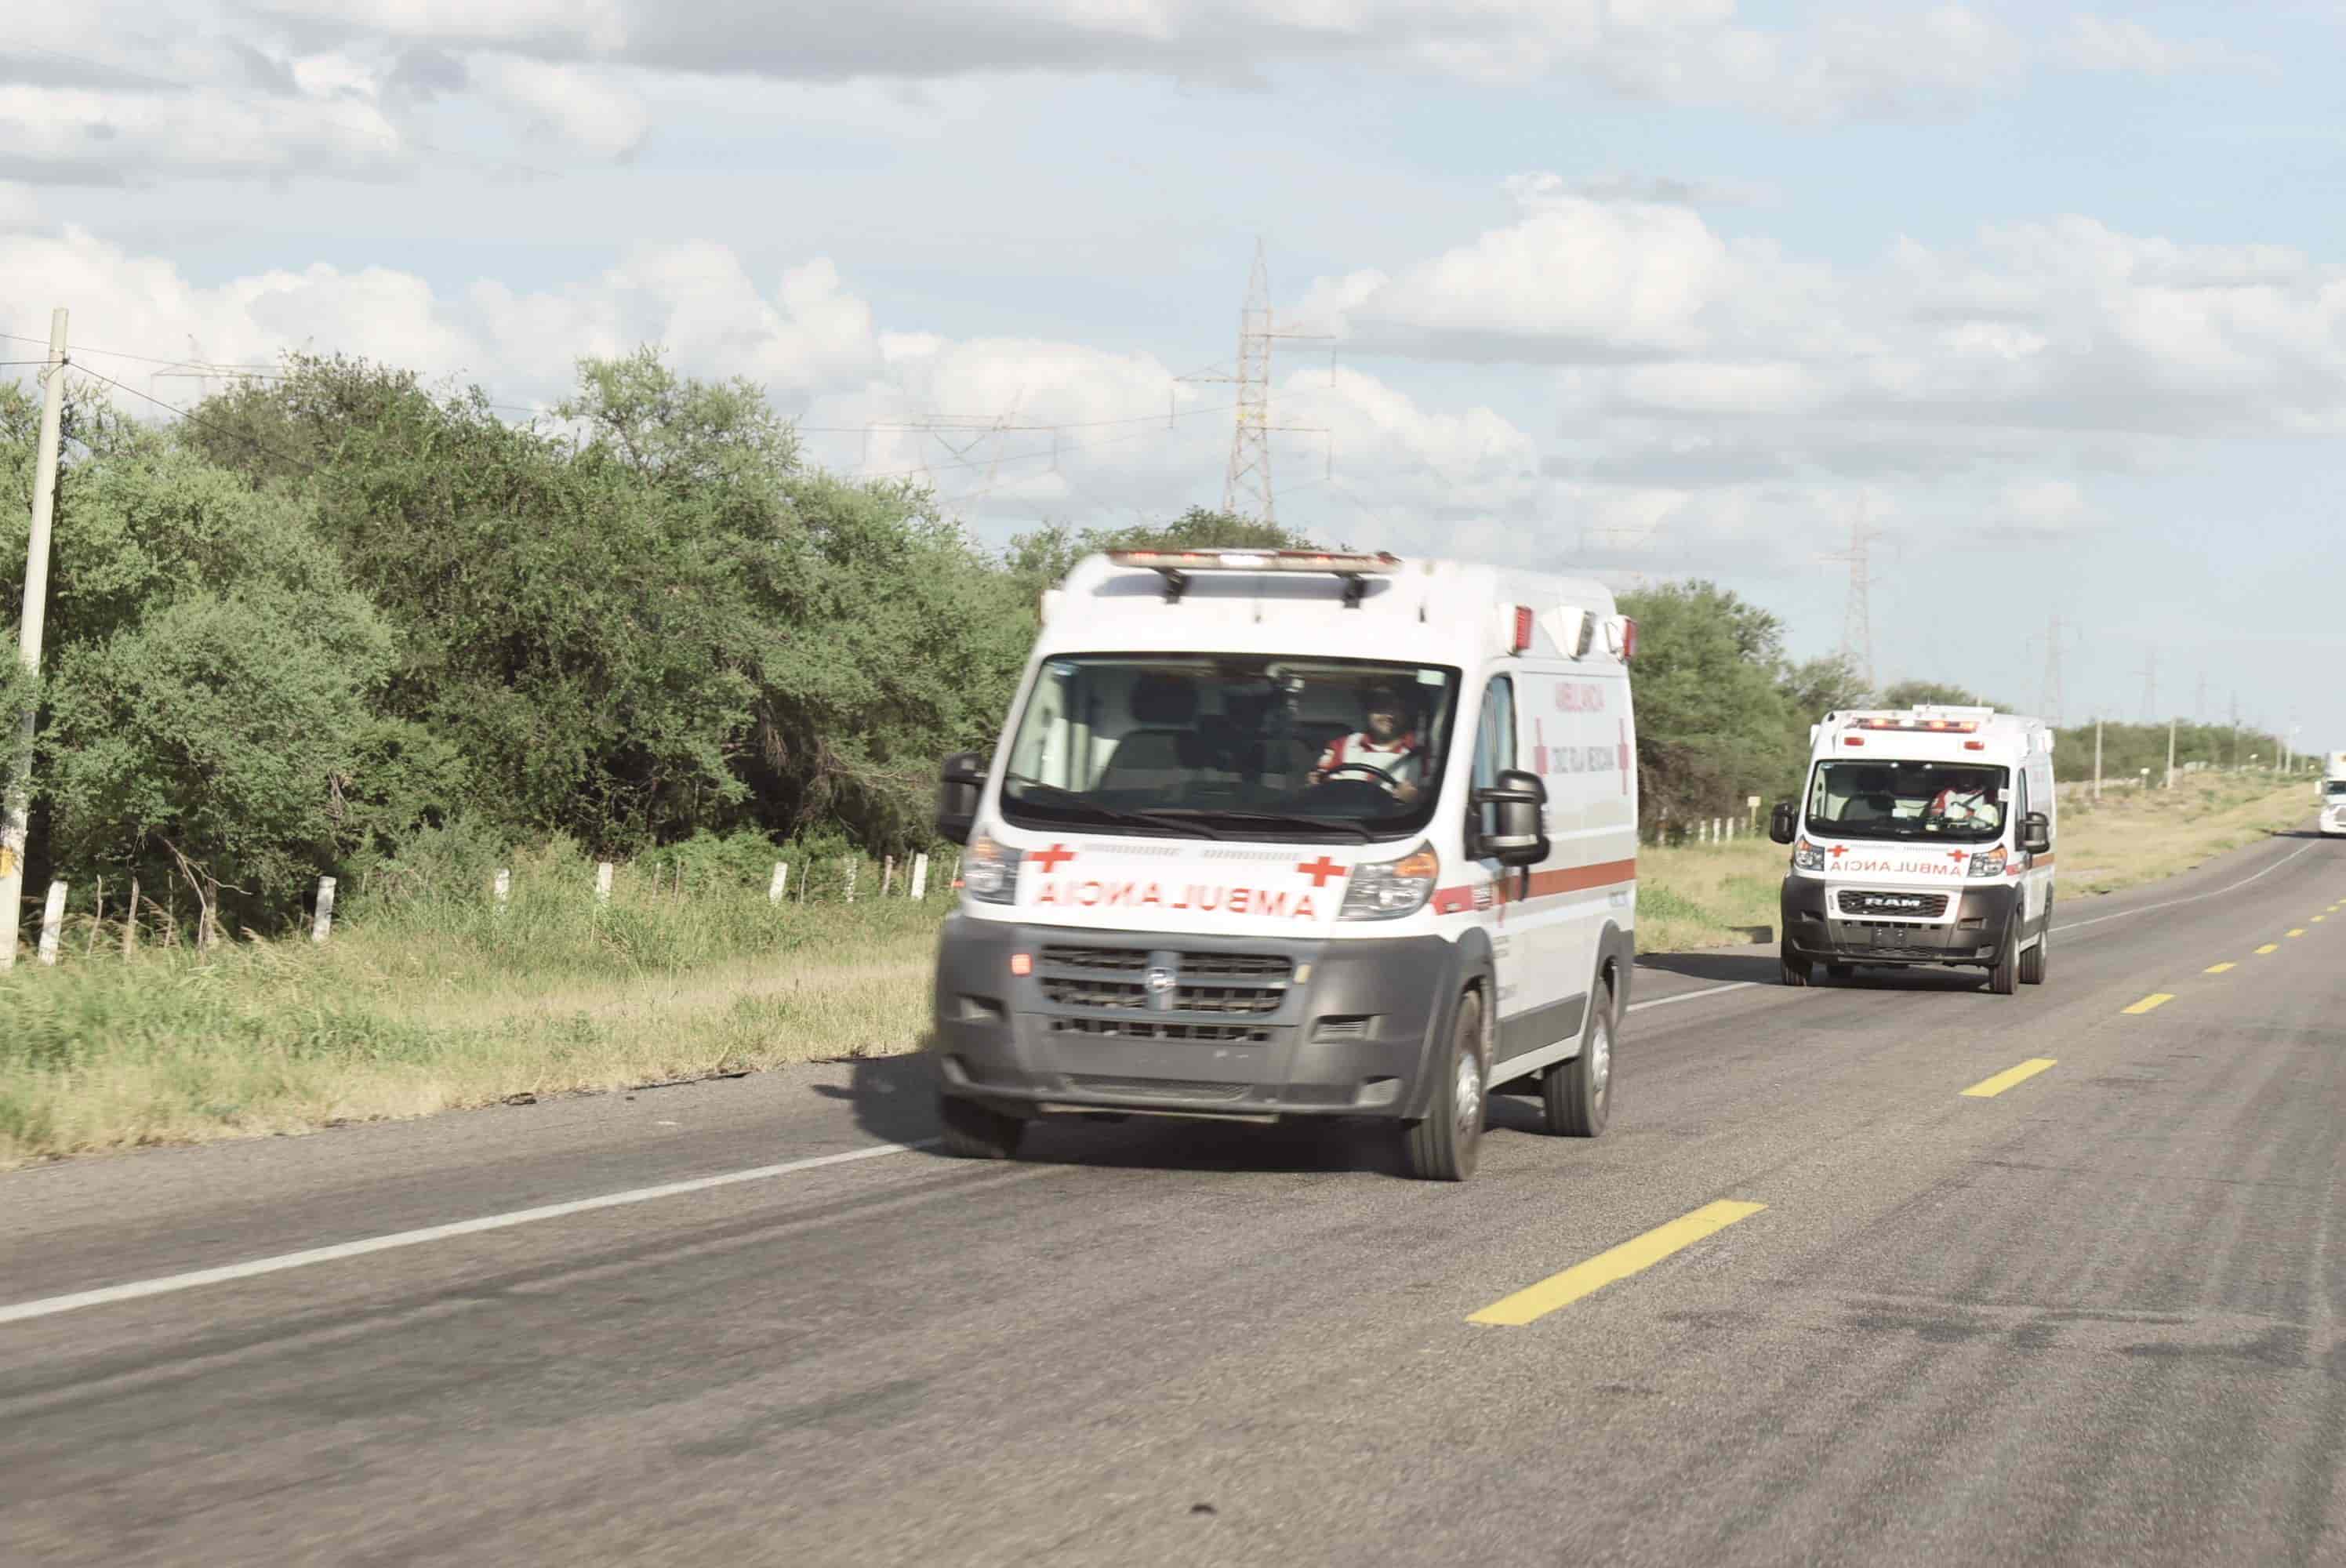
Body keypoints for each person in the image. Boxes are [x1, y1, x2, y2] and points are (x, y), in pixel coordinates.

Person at [1309, 681, 1425, 802]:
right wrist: (1315, 782)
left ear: (1407, 713)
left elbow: (1436, 797)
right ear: (1368, 710)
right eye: (1382, 707)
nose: (1390, 715)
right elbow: (1319, 782)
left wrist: (1414, 799)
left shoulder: (1421, 752)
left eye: (1397, 709)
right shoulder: (1341, 745)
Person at [1930, 772, 2001, 827]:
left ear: (1976, 777)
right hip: (1950, 832)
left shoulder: (1987, 794)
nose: (1967, 778)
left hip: (1980, 834)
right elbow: (1935, 816)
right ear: (1958, 777)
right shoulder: (1947, 793)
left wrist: (1971, 817)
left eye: (1970, 775)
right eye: (1963, 775)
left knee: (1988, 809)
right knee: (1955, 808)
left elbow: (1994, 815)